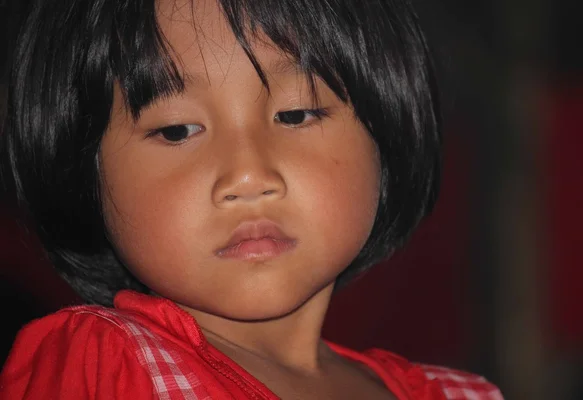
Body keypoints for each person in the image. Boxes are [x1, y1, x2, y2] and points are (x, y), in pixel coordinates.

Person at [0, 0, 503, 398]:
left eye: (296, 114)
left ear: (386, 131)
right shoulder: (106, 369)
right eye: (177, 130)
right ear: (83, 169)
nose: (247, 174)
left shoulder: (465, 395)